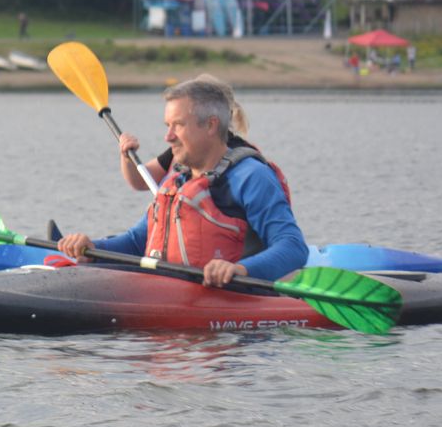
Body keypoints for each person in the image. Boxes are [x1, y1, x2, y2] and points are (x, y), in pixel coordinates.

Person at [59, 77, 307, 288]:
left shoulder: (251, 177)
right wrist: (92, 249)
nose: (168, 137)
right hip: (170, 305)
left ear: (211, 125)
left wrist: (240, 269)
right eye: (168, 126)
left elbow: (293, 246)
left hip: (233, 319)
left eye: (178, 125)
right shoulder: (177, 177)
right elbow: (137, 242)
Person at [115, 74, 266, 195]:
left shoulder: (244, 166)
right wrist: (127, 157)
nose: (169, 137)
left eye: (179, 124)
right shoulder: (184, 151)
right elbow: (141, 181)